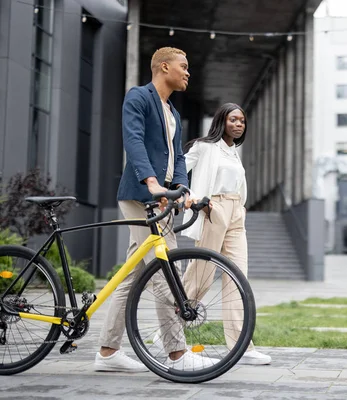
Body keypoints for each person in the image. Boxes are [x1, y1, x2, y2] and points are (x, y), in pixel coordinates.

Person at [95, 47, 213, 371]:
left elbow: (177, 159)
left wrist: (182, 191)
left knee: (132, 277)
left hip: (159, 198)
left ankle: (107, 351)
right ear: (164, 67)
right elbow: (132, 140)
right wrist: (150, 182)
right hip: (138, 196)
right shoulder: (139, 98)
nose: (188, 72)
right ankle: (176, 353)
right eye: (183, 66)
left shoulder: (172, 113)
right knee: (166, 266)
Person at [180, 103, 271, 365]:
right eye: (233, 119)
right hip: (214, 208)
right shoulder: (205, 147)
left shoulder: (233, 152)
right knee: (202, 275)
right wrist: (193, 197)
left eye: (242, 120)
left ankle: (241, 346)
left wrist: (239, 209)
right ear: (222, 120)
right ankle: (171, 330)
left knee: (238, 277)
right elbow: (178, 170)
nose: (239, 124)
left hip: (235, 213)